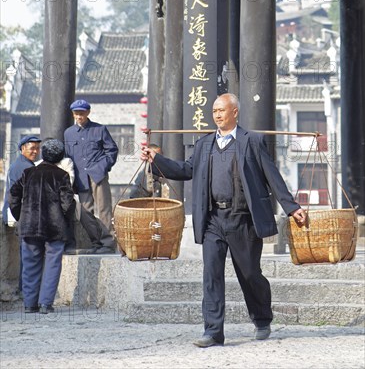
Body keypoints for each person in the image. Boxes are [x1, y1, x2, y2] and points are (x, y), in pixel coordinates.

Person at [141, 93, 306, 347]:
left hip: (244, 220)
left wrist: (291, 207)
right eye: (214, 110)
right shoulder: (205, 144)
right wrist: (156, 161)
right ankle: (213, 331)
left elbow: (272, 176)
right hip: (213, 220)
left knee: (250, 274)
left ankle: (262, 319)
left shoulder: (251, 141)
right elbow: (186, 170)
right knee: (211, 275)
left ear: (235, 112)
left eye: (222, 110)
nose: (217, 115)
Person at [8, 139, 75, 314]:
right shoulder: (62, 175)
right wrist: (66, 221)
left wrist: (20, 216)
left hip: (29, 224)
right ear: (60, 157)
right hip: (55, 226)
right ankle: (46, 303)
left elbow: (13, 195)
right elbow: (68, 204)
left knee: (30, 263)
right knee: (53, 263)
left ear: (43, 154)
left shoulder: (28, 173)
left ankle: (30, 304)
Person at [64, 99, 118, 254]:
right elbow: (68, 156)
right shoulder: (68, 133)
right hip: (81, 178)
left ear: (88, 113)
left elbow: (112, 150)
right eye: (76, 114)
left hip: (98, 176)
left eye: (81, 113)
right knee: (84, 213)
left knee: (104, 210)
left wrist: (103, 167)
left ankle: (108, 244)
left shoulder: (99, 129)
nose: (79, 117)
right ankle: (96, 242)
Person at [2, 135, 42, 294]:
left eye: (37, 148)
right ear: (22, 149)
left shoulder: (25, 164)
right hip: (22, 216)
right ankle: (26, 290)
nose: (35, 151)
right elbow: (18, 196)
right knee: (28, 255)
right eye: (32, 148)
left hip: (21, 215)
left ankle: (25, 289)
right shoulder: (23, 167)